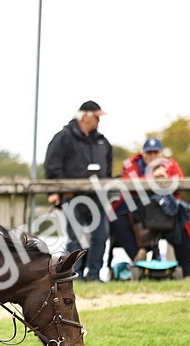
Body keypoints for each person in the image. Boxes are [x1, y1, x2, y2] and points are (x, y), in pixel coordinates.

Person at [44, 101, 114, 281]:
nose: (99, 121)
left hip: (97, 198)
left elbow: (108, 170)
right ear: (85, 116)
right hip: (72, 197)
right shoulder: (63, 137)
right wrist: (61, 190)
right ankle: (75, 275)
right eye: (96, 117)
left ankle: (93, 275)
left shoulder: (102, 141)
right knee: (75, 239)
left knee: (100, 236)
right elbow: (52, 166)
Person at [109, 137, 190, 277]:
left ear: (161, 154)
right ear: (143, 153)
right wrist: (151, 178)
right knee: (115, 220)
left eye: (156, 153)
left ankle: (185, 273)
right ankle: (138, 259)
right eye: (149, 153)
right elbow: (127, 185)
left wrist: (165, 179)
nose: (152, 156)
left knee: (183, 224)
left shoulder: (170, 164)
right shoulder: (131, 164)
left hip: (164, 212)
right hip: (136, 210)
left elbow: (180, 185)